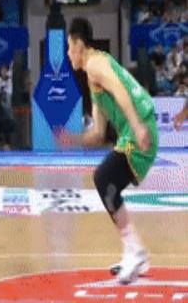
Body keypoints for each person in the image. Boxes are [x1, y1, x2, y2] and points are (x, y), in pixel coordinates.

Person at [57, 18, 158, 285]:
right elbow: (98, 133)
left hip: (140, 126)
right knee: (107, 184)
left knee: (103, 178)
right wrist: (72, 140)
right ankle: (133, 253)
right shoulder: (93, 79)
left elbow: (121, 90)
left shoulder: (95, 63)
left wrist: (137, 126)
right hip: (133, 131)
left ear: (79, 45)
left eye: (69, 47)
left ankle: (135, 250)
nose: (68, 54)